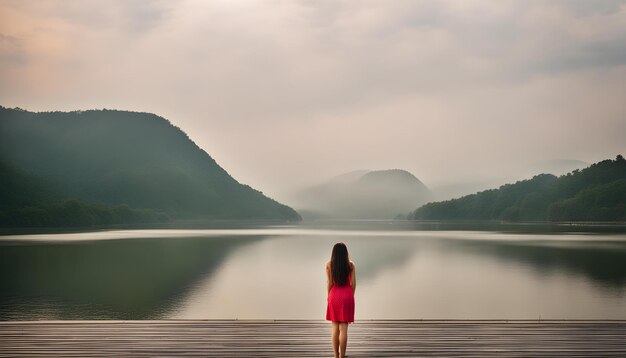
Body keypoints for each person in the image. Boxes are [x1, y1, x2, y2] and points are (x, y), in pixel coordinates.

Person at [326, 242, 356, 358]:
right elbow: (353, 283)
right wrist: (350, 296)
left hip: (334, 295)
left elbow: (329, 283)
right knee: (344, 328)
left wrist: (328, 296)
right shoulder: (351, 265)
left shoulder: (329, 265)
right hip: (347, 296)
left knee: (334, 326)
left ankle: (336, 356)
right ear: (345, 253)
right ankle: (343, 356)